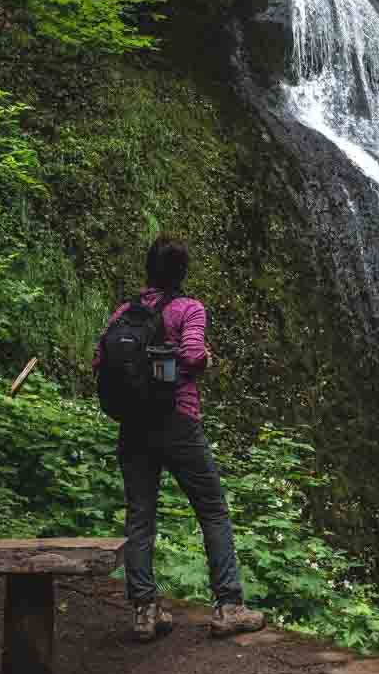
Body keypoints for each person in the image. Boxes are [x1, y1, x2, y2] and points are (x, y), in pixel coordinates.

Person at [94, 235, 266, 643]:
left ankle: (144, 611)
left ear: (148, 270)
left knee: (140, 516)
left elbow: (100, 361)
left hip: (133, 425)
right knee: (212, 510)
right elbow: (191, 355)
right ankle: (229, 606)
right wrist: (204, 358)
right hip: (177, 421)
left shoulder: (124, 312)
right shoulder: (189, 308)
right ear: (182, 273)